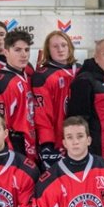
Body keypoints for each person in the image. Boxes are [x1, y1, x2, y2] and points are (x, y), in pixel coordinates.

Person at [31, 30, 78, 172]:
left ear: (70, 47)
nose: (60, 49)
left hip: (80, 139)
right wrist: (47, 144)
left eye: (64, 45)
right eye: (55, 46)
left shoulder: (82, 71)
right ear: (48, 50)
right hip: (58, 142)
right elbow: (42, 114)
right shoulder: (42, 76)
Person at [0, 30, 36, 158]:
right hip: (13, 143)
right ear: (6, 52)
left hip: (30, 140)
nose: (24, 54)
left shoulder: (28, 74)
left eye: (26, 50)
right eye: (18, 50)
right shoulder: (0, 81)